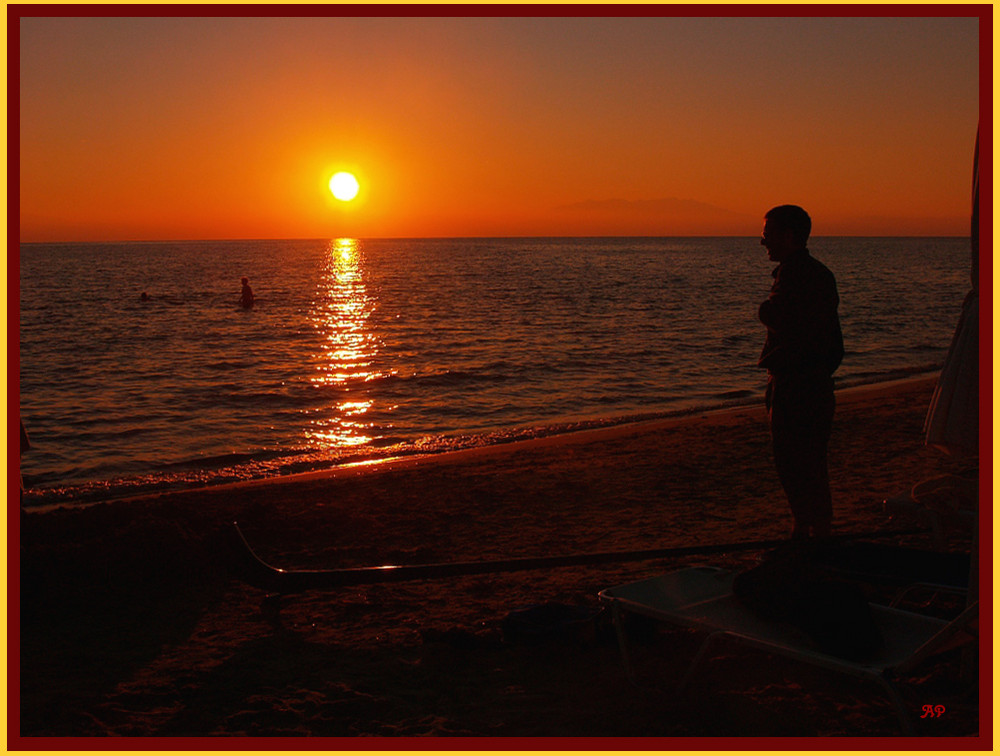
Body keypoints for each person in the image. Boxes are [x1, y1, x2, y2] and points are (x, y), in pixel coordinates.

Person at [757, 205, 843, 539]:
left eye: (768, 236)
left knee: (794, 461)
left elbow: (783, 319)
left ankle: (807, 531)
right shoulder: (817, 274)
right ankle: (811, 529)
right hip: (815, 382)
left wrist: (765, 311)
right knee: (809, 462)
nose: (763, 243)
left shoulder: (797, 275)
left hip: (797, 383)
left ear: (789, 236)